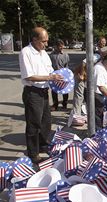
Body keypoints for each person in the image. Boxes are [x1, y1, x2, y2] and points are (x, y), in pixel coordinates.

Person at [19, 27, 63, 164]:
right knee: (34, 124)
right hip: (33, 92)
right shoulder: (26, 52)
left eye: (47, 41)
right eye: (43, 41)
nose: (46, 44)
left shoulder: (43, 53)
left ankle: (44, 146)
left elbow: (49, 70)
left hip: (44, 92)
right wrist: (50, 78)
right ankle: (33, 154)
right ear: (35, 39)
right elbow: (30, 76)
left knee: (46, 122)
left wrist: (59, 76)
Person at [49, 39, 70, 111]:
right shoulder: (51, 55)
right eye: (60, 46)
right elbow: (49, 66)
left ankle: (65, 103)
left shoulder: (65, 55)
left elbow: (66, 66)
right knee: (54, 90)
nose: (61, 48)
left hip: (63, 75)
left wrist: (67, 75)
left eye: (62, 46)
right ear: (56, 47)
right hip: (54, 76)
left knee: (65, 90)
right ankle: (55, 104)